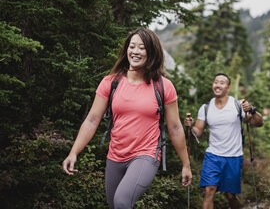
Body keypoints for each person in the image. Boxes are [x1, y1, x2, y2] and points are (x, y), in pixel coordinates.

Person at [62, 28, 192, 209]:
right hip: (115, 155)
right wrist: (73, 152)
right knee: (114, 205)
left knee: (122, 202)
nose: (135, 51)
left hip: (146, 154)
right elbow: (92, 119)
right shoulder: (111, 82)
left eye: (142, 47)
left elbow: (176, 127)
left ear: (152, 52)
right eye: (132, 46)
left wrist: (186, 164)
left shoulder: (163, 86)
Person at [184, 73, 263, 209]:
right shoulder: (206, 108)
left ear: (228, 88)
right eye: (215, 82)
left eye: (222, 83)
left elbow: (258, 123)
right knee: (209, 191)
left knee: (230, 196)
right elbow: (198, 131)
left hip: (233, 157)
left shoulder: (238, 105)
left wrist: (252, 110)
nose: (218, 85)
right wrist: (190, 127)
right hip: (213, 156)